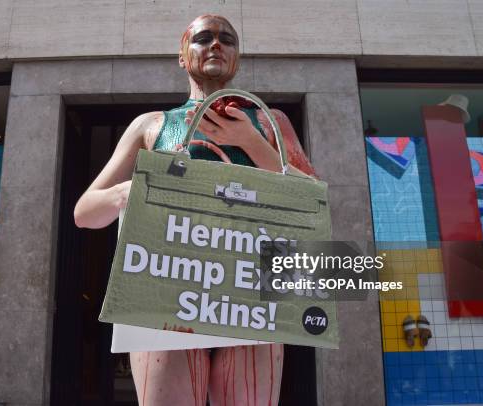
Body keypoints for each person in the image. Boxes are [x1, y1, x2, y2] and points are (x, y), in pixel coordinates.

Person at [74, 14, 316, 406]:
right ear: (183, 56)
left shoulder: (270, 122)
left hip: (251, 290)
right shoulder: (151, 126)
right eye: (204, 37)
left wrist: (251, 143)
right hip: (167, 289)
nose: (217, 44)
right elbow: (85, 212)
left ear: (237, 59)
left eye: (228, 40)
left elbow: (313, 203)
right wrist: (129, 191)